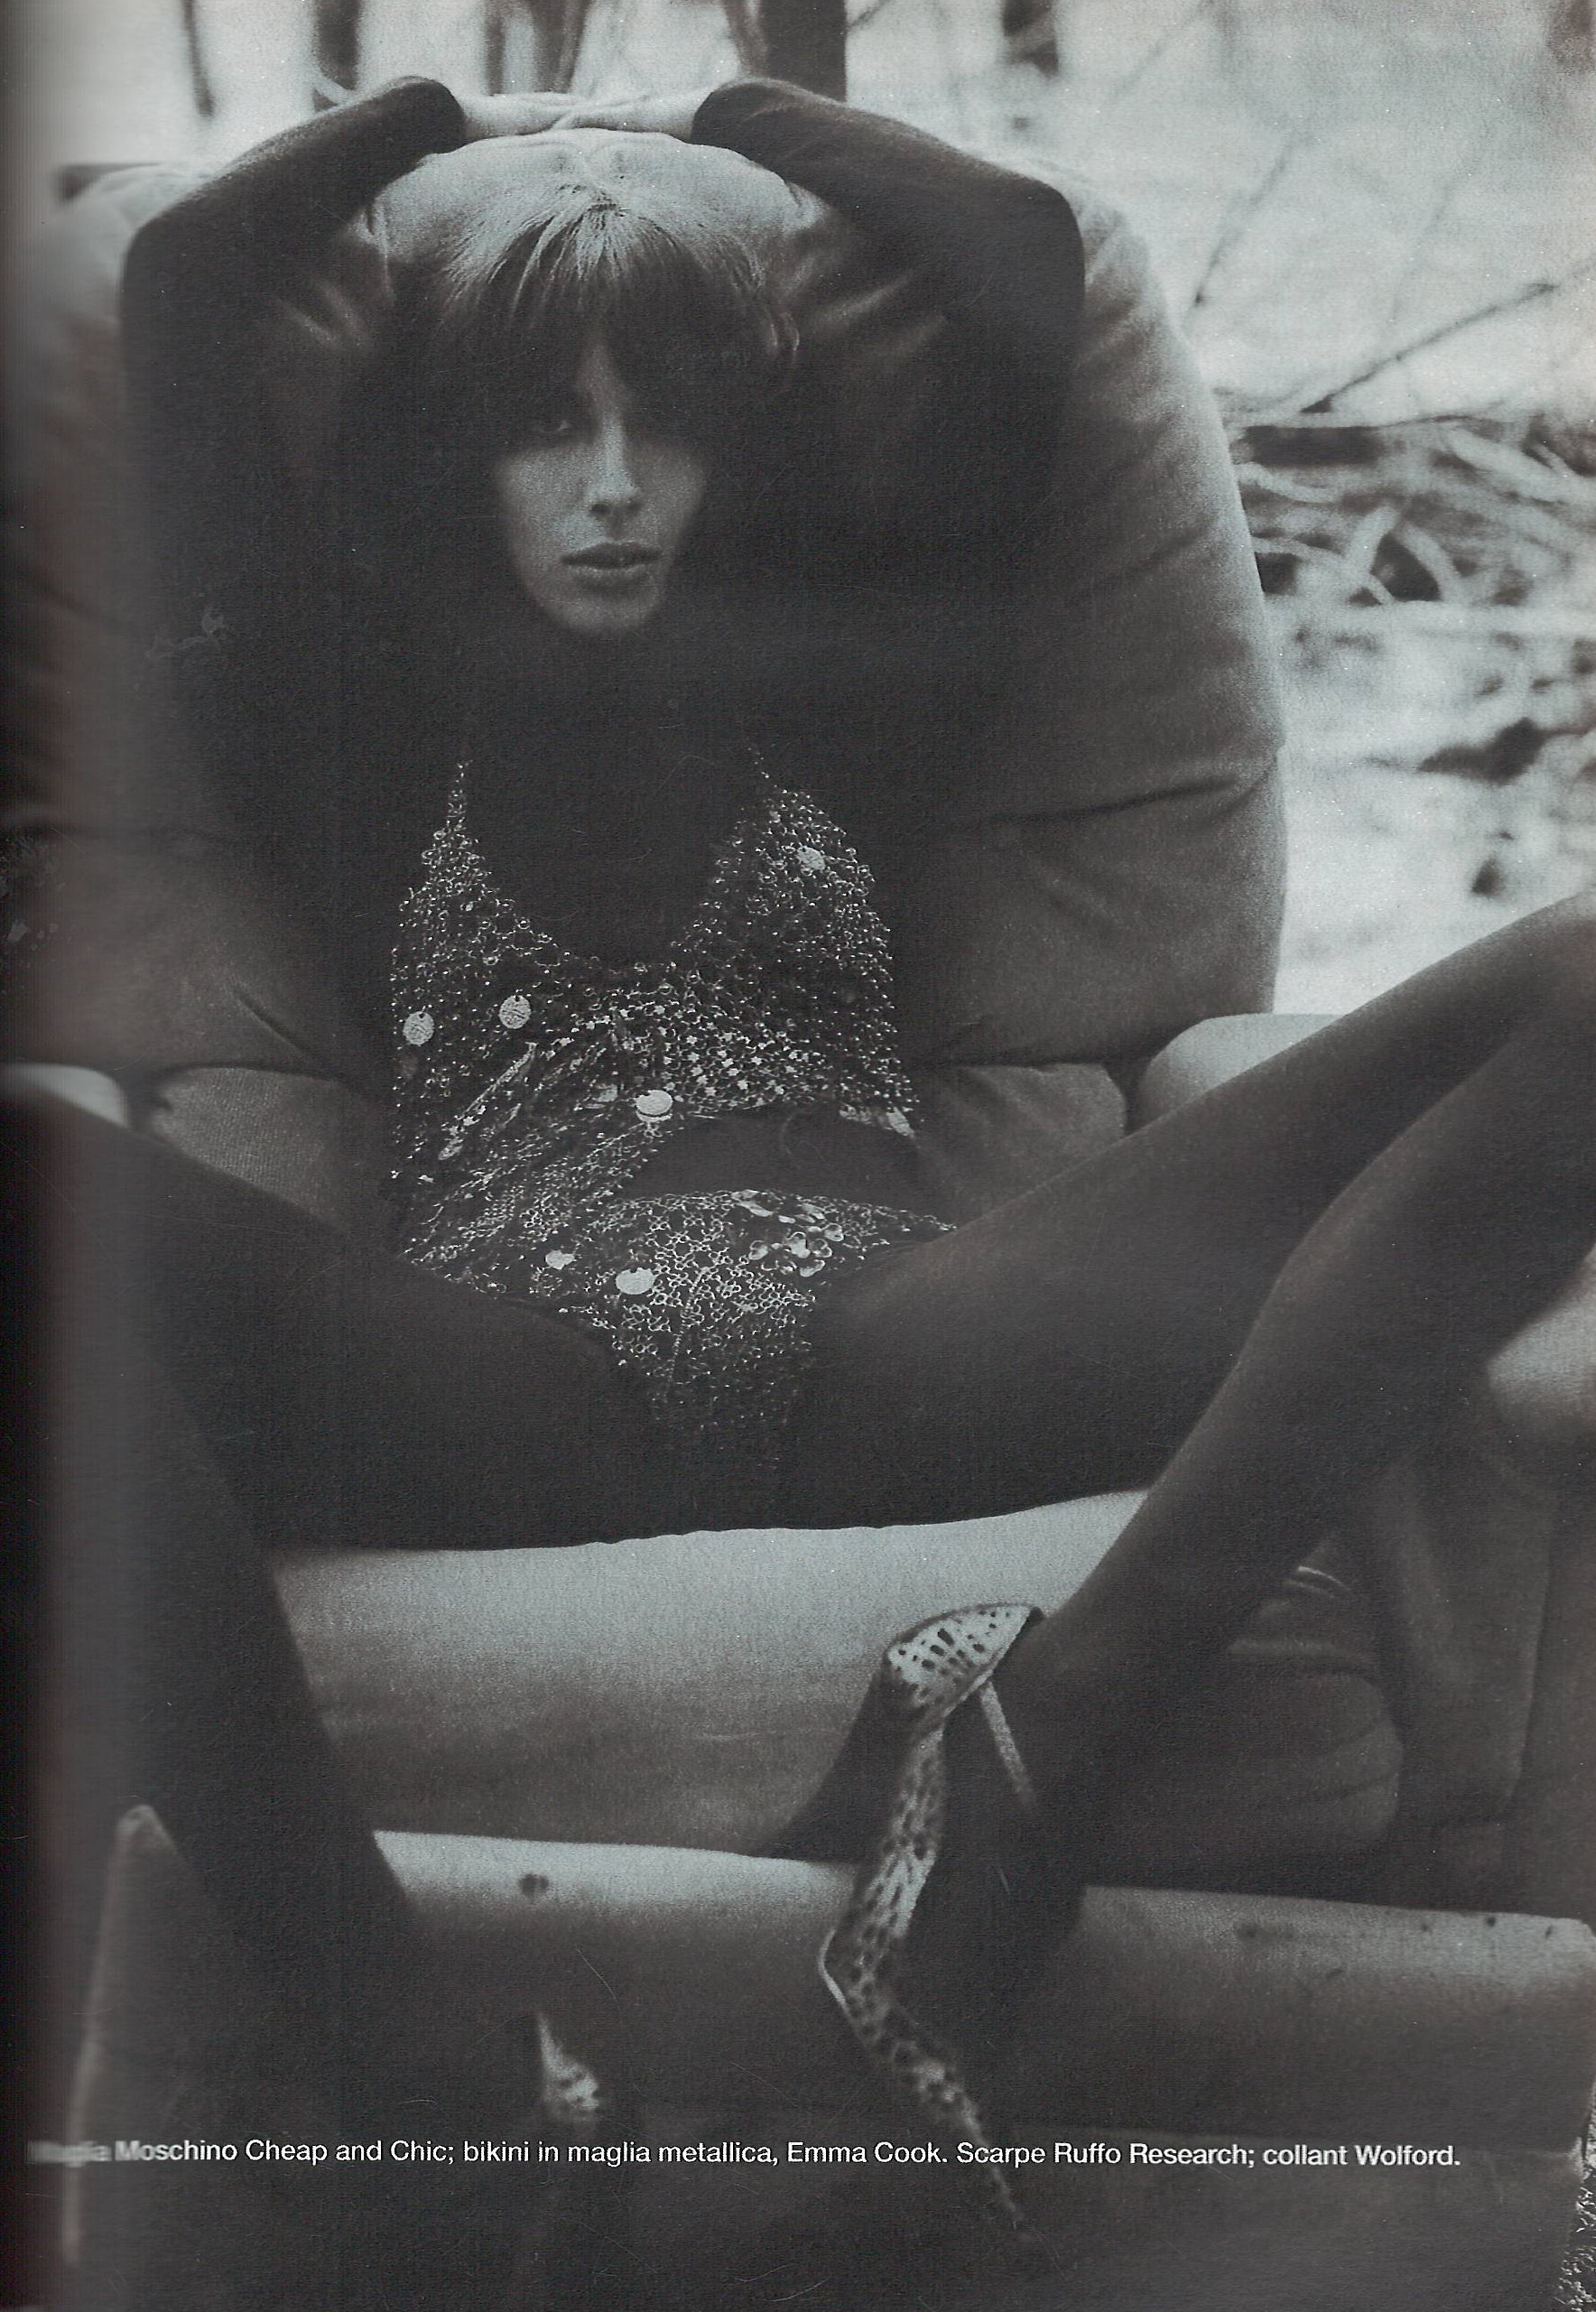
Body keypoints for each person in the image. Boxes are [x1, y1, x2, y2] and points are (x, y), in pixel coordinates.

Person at [27, 70, 1596, 2291]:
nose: (608, 486)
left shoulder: (849, 700)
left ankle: (1052, 1729)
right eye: (543, 427)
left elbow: (1019, 257)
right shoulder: (346, 729)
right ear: (452, 458)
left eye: (658, 423)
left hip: (903, 1348)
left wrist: (724, 108)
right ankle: (417, 2062)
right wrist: (451, 118)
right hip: (525, 1388)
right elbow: (189, 279)